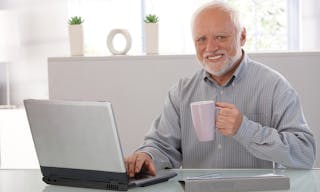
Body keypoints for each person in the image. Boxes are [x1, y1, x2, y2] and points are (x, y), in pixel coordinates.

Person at [125, 1, 316, 177]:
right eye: (201, 39)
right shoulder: (181, 92)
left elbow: (305, 155)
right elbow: (162, 146)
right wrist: (146, 156)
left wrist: (245, 129)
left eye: (221, 37)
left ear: (242, 36)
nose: (211, 47)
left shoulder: (275, 87)